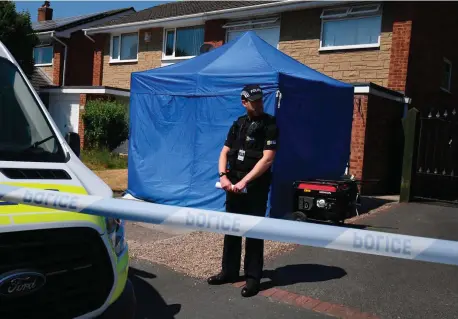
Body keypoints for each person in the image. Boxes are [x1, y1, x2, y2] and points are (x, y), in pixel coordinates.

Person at [207, 84, 279, 297]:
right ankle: (229, 272)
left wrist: (245, 182)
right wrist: (223, 177)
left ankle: (253, 278)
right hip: (233, 186)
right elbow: (224, 152)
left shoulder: (270, 125)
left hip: (255, 188)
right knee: (232, 230)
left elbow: (267, 159)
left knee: (254, 233)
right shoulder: (238, 125)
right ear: (244, 102)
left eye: (260, 100)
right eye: (253, 101)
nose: (258, 104)